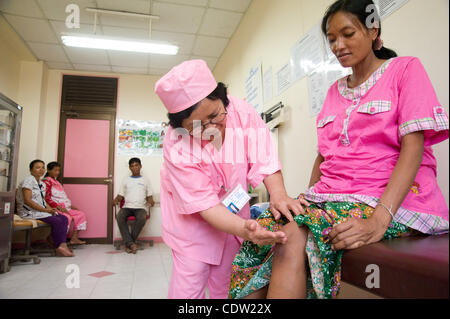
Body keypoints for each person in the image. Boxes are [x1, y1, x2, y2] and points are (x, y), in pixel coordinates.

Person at [229, 0, 449, 299]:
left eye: (348, 33)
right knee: (267, 230)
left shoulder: (405, 69)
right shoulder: (335, 90)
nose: (338, 45)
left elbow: (414, 145)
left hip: (389, 200)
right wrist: (304, 202)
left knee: (290, 236)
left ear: (373, 31)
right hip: (331, 196)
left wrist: (378, 221)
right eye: (332, 39)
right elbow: (324, 155)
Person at [155, 59, 310, 299]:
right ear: (180, 127)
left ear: (223, 97)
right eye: (196, 126)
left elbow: (264, 156)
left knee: (226, 285)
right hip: (192, 225)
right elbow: (205, 205)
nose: (210, 128)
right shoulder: (176, 144)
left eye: (215, 115)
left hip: (234, 215)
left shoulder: (241, 112)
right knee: (189, 287)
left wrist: (278, 194)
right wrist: (246, 231)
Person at [16, 160, 73, 257]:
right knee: (57, 221)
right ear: (31, 170)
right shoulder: (28, 181)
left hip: (40, 211)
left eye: (43, 167)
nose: (41, 170)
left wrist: (51, 209)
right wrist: (46, 210)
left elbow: (43, 201)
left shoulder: (42, 184)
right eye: (38, 167)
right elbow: (27, 200)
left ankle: (61, 245)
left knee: (63, 218)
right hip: (29, 212)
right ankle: (60, 246)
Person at [113, 158, 154, 254]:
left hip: (140, 208)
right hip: (127, 207)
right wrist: (115, 200)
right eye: (132, 166)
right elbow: (120, 195)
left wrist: (151, 201)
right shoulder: (126, 180)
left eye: (136, 165)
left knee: (141, 218)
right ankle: (131, 244)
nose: (134, 167)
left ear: (140, 166)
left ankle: (129, 244)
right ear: (129, 168)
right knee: (120, 217)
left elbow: (149, 196)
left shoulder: (145, 180)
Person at [43, 161, 87, 245]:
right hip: (55, 208)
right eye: (55, 170)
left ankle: (74, 238)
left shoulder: (57, 182)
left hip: (65, 207)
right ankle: (57, 240)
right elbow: (46, 198)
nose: (57, 173)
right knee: (66, 218)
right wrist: (58, 207)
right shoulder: (46, 182)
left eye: (58, 170)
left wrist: (70, 206)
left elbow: (62, 197)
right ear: (48, 170)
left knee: (81, 214)